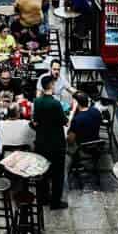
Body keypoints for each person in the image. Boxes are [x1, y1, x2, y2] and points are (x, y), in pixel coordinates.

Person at [33, 74, 68, 209]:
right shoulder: (56, 104)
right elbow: (64, 122)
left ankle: (43, 198)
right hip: (56, 144)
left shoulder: (37, 101)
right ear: (52, 86)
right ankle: (55, 202)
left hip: (41, 142)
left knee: (42, 172)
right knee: (57, 174)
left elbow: (35, 121)